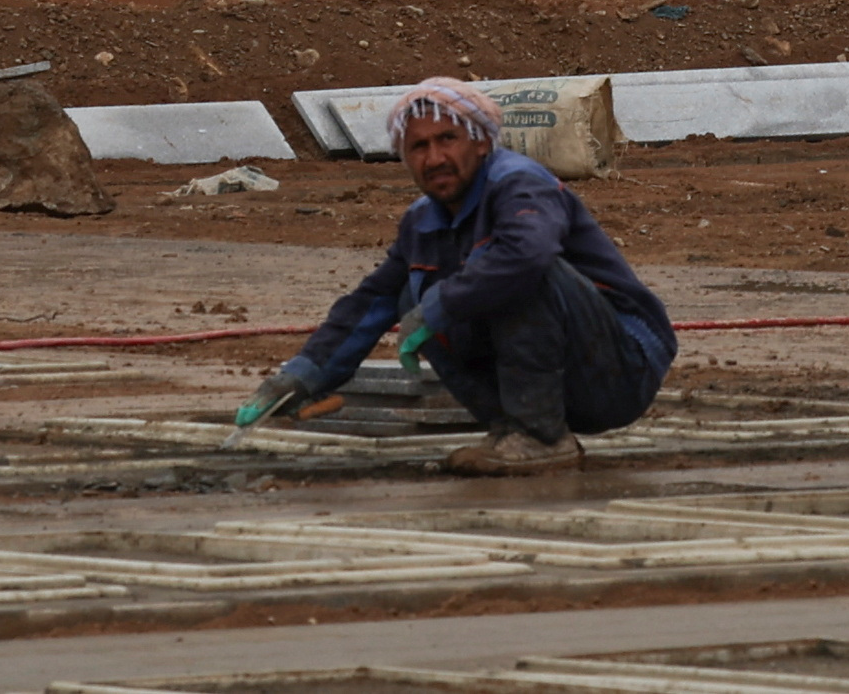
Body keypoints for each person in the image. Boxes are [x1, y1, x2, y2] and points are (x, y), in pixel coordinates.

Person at [243, 75, 674, 475]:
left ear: (482, 142)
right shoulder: (422, 223)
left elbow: (528, 253)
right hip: (561, 385)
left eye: (447, 139)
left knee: (508, 276)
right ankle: (515, 430)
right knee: (414, 294)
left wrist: (442, 306)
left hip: (619, 370)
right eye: (418, 147)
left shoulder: (520, 185)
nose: (435, 159)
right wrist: (298, 377)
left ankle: (539, 436)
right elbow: (368, 304)